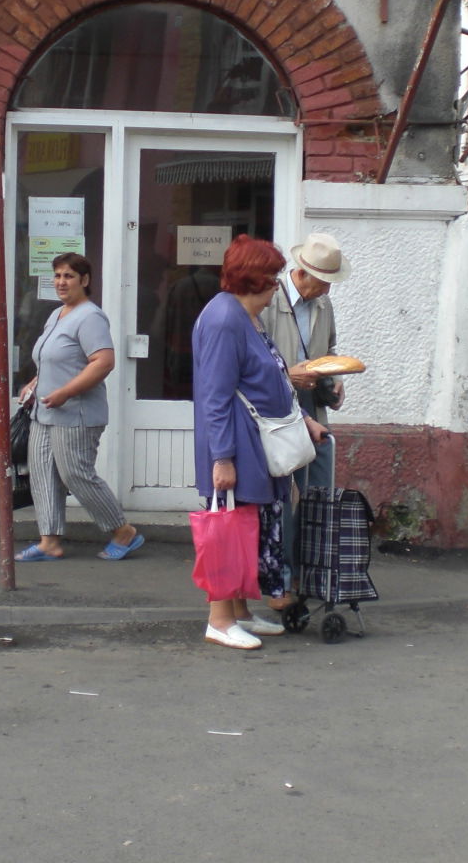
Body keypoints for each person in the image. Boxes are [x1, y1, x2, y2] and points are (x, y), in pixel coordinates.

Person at [193, 235, 326, 650]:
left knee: (249, 528)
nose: (276, 286)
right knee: (229, 530)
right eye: (271, 277)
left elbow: (268, 379)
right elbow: (215, 395)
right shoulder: (224, 319)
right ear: (254, 279)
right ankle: (219, 619)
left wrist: (304, 419)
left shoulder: (246, 317)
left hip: (256, 442)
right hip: (237, 443)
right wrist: (223, 458)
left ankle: (240, 613)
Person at [14, 252, 143, 562]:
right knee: (43, 473)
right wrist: (34, 382)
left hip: (77, 414)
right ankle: (49, 542)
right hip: (45, 412)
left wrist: (65, 393)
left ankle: (123, 531)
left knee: (75, 474)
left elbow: (103, 362)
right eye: (57, 275)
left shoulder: (90, 316)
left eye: (69, 276)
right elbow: (53, 359)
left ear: (84, 281)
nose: (61, 282)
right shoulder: (57, 314)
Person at [261, 231, 350, 575]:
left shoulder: (324, 304)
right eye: (325, 281)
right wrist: (288, 379)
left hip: (312, 405)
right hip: (277, 410)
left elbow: (328, 351)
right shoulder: (270, 301)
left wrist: (336, 380)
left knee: (319, 489)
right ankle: (285, 570)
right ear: (303, 273)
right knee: (282, 494)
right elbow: (257, 364)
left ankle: (312, 563)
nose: (329, 288)